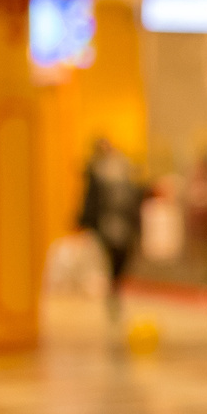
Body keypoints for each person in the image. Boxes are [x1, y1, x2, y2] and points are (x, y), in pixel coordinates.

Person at [77, 135, 142, 321]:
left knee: (123, 257)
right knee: (109, 257)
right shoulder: (95, 170)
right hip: (106, 223)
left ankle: (116, 285)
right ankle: (113, 289)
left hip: (125, 223)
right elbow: (91, 198)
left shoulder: (125, 167)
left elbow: (135, 194)